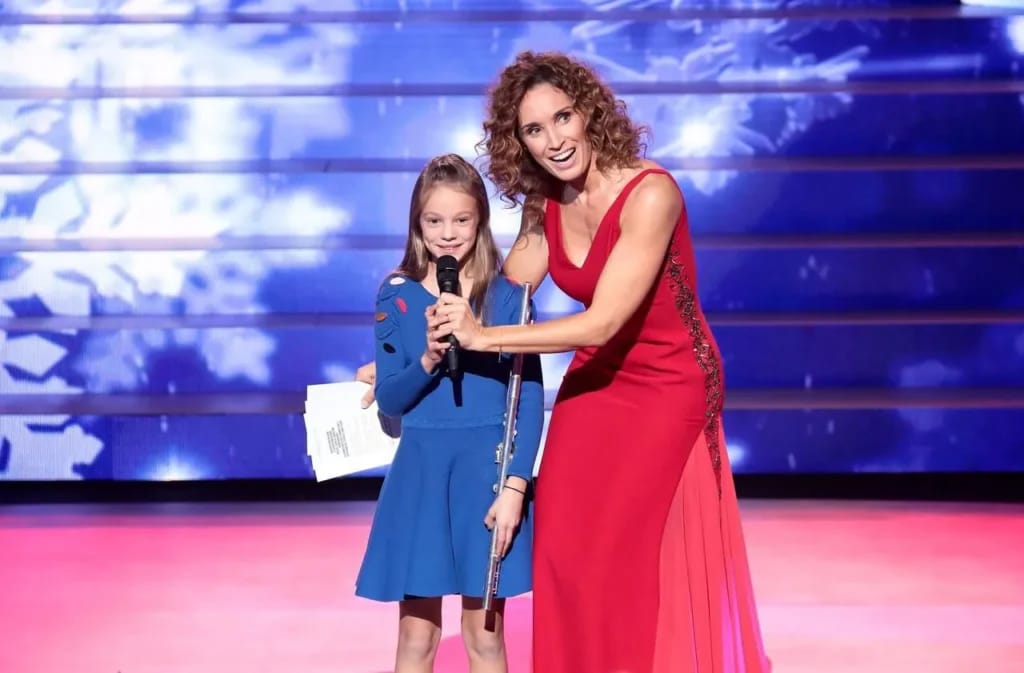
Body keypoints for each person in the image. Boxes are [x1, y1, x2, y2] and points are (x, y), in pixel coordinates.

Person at [359, 51, 771, 672]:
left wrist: (477, 339)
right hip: (600, 373)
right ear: (517, 142)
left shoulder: (650, 194)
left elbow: (602, 320)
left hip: (669, 380)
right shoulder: (543, 202)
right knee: (558, 547)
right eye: (533, 130)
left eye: (562, 118)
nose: (553, 141)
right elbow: (505, 293)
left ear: (589, 114)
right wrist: (406, 357)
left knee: (620, 549)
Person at [353, 153, 544, 673]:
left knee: (485, 639)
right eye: (434, 220)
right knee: (416, 639)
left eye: (461, 219)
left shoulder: (509, 298)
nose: (448, 234)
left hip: (485, 476)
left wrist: (514, 487)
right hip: (420, 476)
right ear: (418, 223)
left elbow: (525, 399)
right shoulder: (396, 296)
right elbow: (392, 399)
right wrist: (429, 358)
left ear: (480, 219)